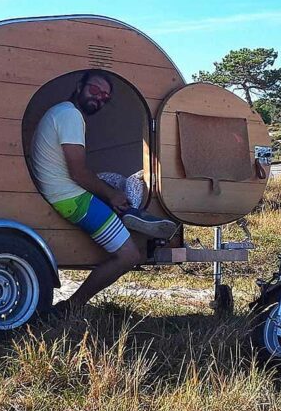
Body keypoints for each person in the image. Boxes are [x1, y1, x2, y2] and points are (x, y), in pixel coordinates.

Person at [31, 70, 177, 313]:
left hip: (63, 192)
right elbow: (78, 173)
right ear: (79, 86)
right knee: (130, 256)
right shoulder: (70, 115)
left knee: (114, 194)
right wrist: (111, 194)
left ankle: (132, 217)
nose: (98, 97)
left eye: (105, 97)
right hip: (71, 198)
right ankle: (72, 307)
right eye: (95, 90)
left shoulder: (60, 112)